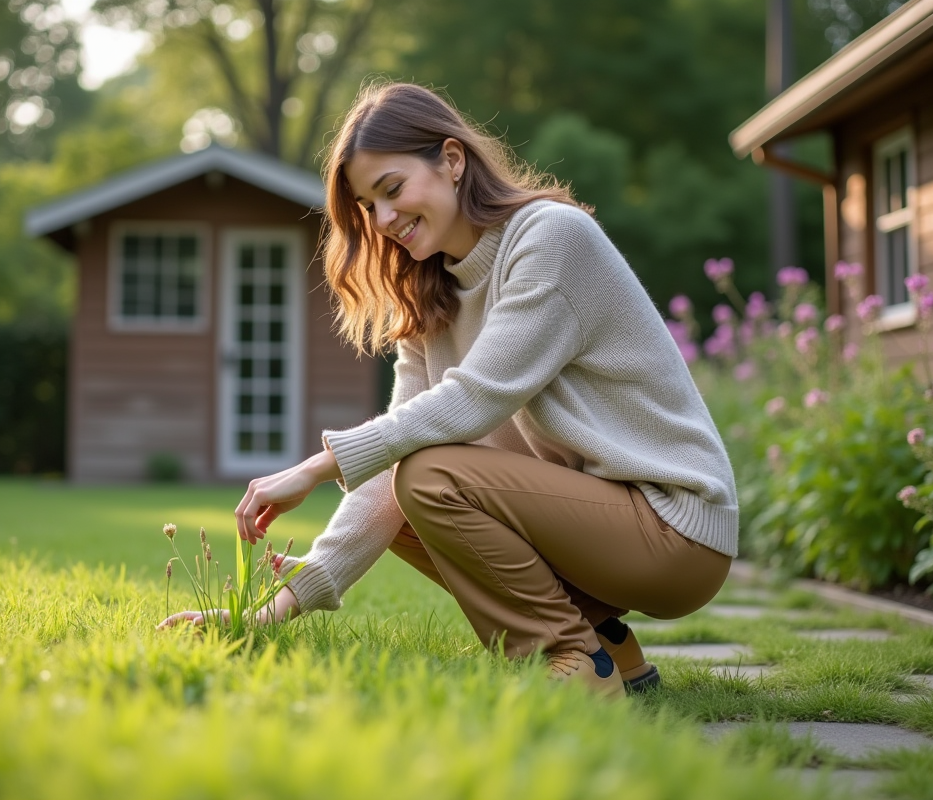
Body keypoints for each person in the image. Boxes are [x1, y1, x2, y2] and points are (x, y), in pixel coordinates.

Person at [158, 82, 738, 698]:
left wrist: (315, 467)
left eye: (392, 190)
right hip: (597, 528)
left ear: (453, 161)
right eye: (366, 206)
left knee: (429, 477)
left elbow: (474, 398)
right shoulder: (429, 296)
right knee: (407, 488)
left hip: (675, 530)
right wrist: (278, 606)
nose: (383, 220)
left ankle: (568, 661)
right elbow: (391, 462)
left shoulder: (550, 237)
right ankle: (607, 646)